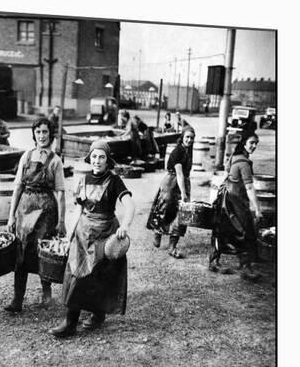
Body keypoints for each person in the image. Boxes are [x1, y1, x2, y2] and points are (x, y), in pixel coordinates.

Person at [49, 140, 135, 337]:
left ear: (107, 160)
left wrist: (125, 226)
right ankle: (70, 322)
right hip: (83, 232)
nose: (97, 161)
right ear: (90, 158)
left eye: (102, 157)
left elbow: (130, 205)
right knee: (75, 274)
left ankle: (98, 315)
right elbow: (78, 209)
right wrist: (69, 235)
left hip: (105, 233)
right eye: (94, 156)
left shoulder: (114, 182)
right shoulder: (84, 179)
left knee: (100, 276)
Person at [4, 118, 67, 313]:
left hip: (46, 212)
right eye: (38, 132)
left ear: (50, 134)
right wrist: (11, 216)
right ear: (34, 134)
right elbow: (17, 188)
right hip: (25, 209)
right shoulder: (26, 156)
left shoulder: (55, 161)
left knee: (44, 253)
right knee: (21, 253)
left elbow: (61, 193)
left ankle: (46, 293)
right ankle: (17, 299)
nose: (41, 135)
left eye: (45, 132)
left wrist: (62, 221)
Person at [209, 133, 262, 281]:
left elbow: (226, 172)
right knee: (244, 230)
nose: (254, 146)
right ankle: (246, 268)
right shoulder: (244, 163)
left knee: (221, 229)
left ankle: (214, 261)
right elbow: (250, 188)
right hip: (236, 200)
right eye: (251, 143)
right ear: (244, 143)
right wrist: (257, 209)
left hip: (226, 199)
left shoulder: (234, 156)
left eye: (256, 143)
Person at [146, 126, 195, 258]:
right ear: (182, 138)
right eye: (187, 137)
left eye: (191, 138)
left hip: (184, 182)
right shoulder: (178, 152)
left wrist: (185, 191)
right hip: (172, 183)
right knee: (164, 209)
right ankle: (157, 232)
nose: (189, 140)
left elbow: (184, 175)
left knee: (181, 215)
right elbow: (179, 174)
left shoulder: (188, 150)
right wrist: (184, 194)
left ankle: (172, 247)